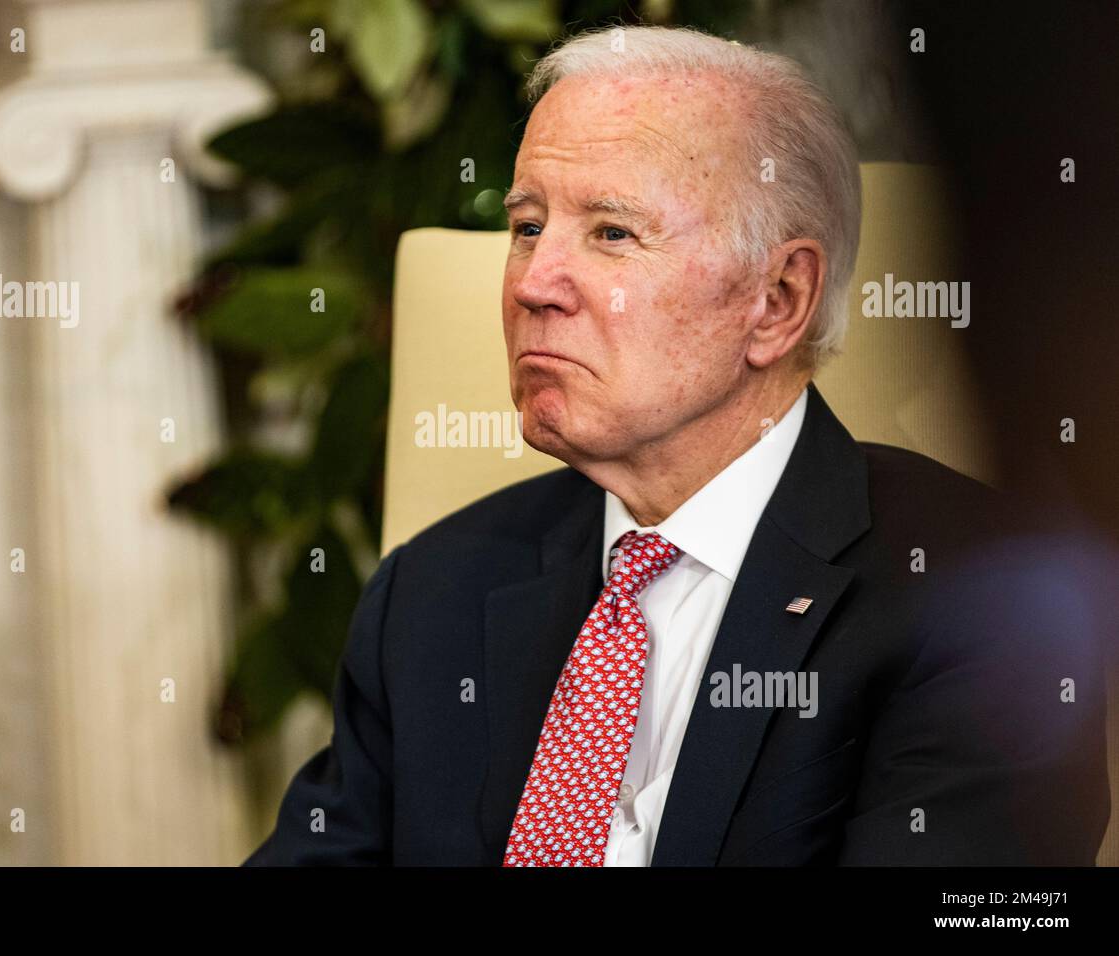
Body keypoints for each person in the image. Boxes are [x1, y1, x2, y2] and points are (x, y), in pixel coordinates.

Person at [244, 24, 1109, 866]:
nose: (535, 283)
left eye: (613, 233)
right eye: (528, 226)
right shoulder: (431, 592)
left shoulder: (976, 598)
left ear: (777, 299)